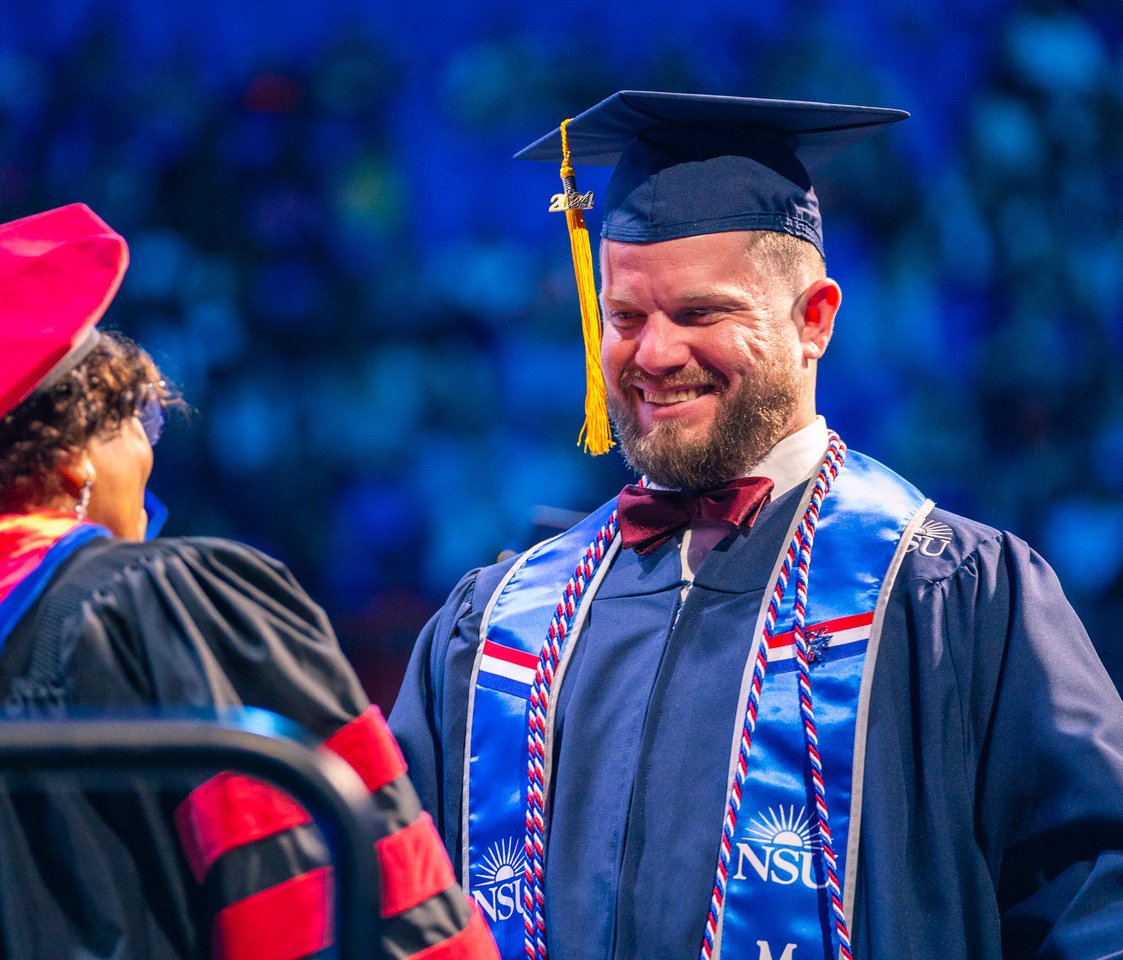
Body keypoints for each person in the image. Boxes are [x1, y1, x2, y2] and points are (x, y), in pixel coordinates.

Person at [388, 91, 1123, 960]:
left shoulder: (948, 600)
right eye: (626, 317)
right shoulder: (500, 626)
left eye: (700, 314)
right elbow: (399, 906)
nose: (654, 354)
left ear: (813, 321)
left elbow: (1093, 913)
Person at [0, 204, 497, 960]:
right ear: (71, 463)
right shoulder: (162, 603)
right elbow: (343, 911)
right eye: (135, 423)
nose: (149, 458)